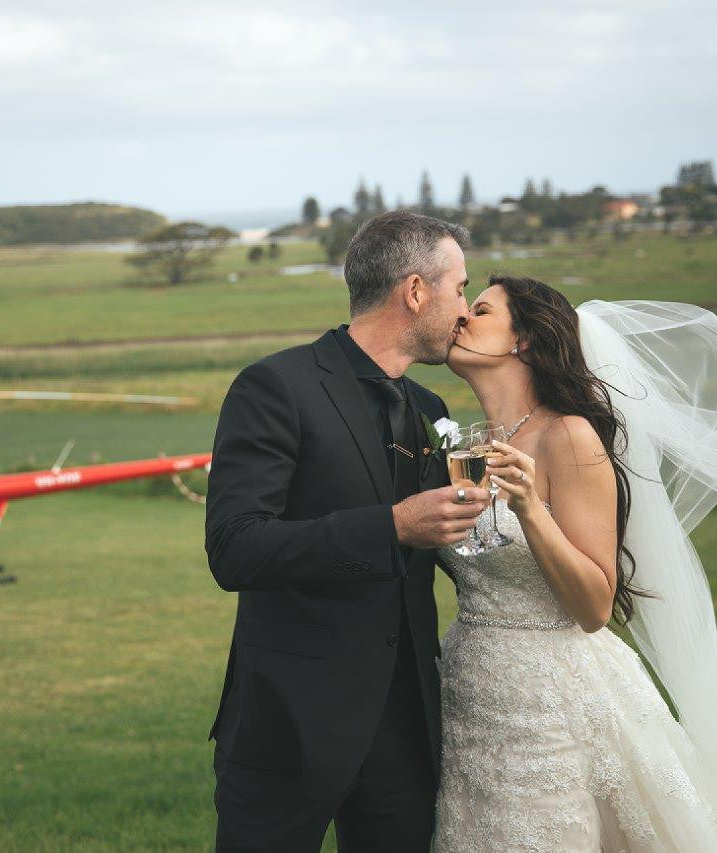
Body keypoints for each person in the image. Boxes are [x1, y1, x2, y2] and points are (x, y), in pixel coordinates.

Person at [433, 274, 717, 851]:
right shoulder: (465, 448)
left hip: (553, 705)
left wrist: (530, 509)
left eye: (480, 310)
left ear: (523, 340)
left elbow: (596, 605)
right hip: (469, 695)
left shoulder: (569, 437)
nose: (461, 320)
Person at [204, 210, 487, 852]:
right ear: (415, 292)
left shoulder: (431, 409)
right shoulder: (275, 387)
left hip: (405, 730)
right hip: (289, 724)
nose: (465, 310)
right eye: (460, 288)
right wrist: (390, 527)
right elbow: (235, 548)